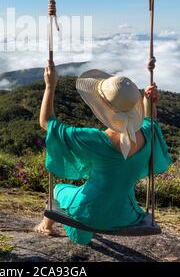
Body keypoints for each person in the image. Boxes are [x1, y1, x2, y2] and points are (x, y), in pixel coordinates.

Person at [34, 63, 171, 245]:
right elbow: (150, 119)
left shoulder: (94, 140)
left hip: (88, 212)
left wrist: (50, 85)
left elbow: (47, 122)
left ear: (103, 108)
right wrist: (148, 100)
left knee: (59, 191)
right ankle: (82, 227)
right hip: (125, 215)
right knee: (91, 220)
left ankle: (46, 225)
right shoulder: (148, 134)